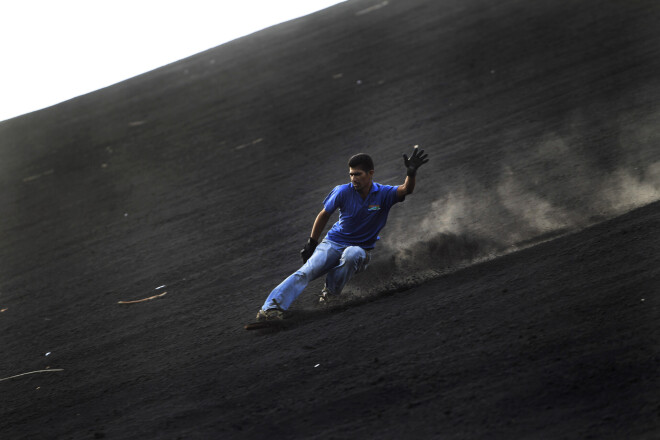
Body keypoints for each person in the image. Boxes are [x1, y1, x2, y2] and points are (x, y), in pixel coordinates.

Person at [256, 146, 429, 321]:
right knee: (306, 271)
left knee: (352, 254)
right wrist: (312, 243)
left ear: (370, 173)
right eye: (351, 174)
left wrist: (411, 173)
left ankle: (330, 294)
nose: (354, 178)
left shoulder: (383, 194)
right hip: (333, 242)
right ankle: (270, 309)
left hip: (361, 250)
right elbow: (324, 214)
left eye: (358, 174)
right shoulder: (342, 191)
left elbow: (406, 189)